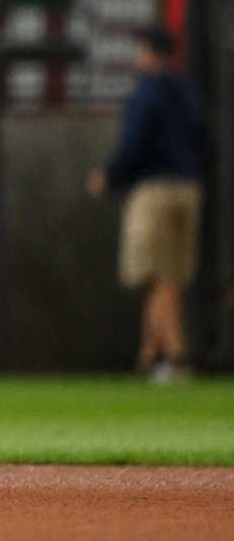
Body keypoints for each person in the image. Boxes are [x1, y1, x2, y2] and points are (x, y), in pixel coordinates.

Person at [87, 28, 210, 382]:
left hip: (154, 190)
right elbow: (204, 139)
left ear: (150, 52)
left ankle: (176, 357)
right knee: (170, 276)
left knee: (158, 279)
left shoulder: (147, 92)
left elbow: (133, 144)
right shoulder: (187, 91)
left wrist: (109, 176)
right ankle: (150, 355)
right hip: (190, 188)